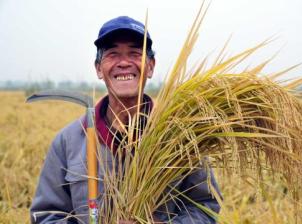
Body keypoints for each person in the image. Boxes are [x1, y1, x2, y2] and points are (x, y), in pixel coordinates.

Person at [30, 16, 220, 223]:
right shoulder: (69, 141)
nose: (123, 63)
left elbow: (205, 209)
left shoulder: (181, 138)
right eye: (112, 54)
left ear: (150, 66)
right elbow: (46, 216)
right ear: (98, 68)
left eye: (135, 53)